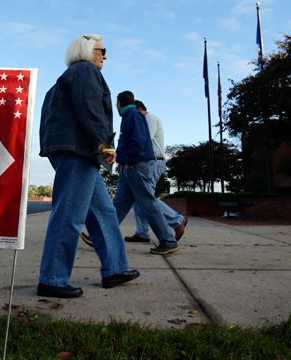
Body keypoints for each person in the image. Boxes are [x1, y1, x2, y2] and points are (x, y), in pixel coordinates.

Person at [37, 34, 140, 299]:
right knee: (69, 214)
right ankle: (53, 278)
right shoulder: (85, 71)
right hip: (79, 151)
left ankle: (115, 269)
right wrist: (104, 145)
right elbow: (91, 109)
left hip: (75, 150)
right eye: (101, 50)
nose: (105, 55)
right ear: (85, 50)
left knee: (104, 212)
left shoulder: (68, 76)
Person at [111, 91, 178, 255]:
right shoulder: (132, 116)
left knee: (148, 203)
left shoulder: (132, 115)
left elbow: (139, 141)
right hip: (131, 167)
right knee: (119, 204)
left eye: (116, 105)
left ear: (119, 103)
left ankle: (168, 241)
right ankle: (102, 235)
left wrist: (130, 161)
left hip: (136, 166)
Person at [123, 100, 188, 244]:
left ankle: (177, 220)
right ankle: (142, 233)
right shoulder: (144, 119)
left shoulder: (149, 118)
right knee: (139, 199)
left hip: (152, 162)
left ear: (139, 109)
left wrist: (130, 158)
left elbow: (144, 140)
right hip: (147, 162)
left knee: (147, 198)